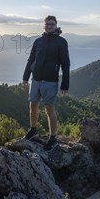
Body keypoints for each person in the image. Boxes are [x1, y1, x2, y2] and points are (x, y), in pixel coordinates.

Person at [22, 15, 70, 151]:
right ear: (44, 26)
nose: (49, 26)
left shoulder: (61, 42)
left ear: (56, 25)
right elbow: (31, 60)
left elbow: (65, 64)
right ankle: (33, 130)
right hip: (36, 79)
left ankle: (53, 138)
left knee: (49, 109)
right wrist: (25, 78)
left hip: (50, 81)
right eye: (47, 24)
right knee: (33, 106)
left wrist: (65, 84)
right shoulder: (38, 41)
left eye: (52, 24)